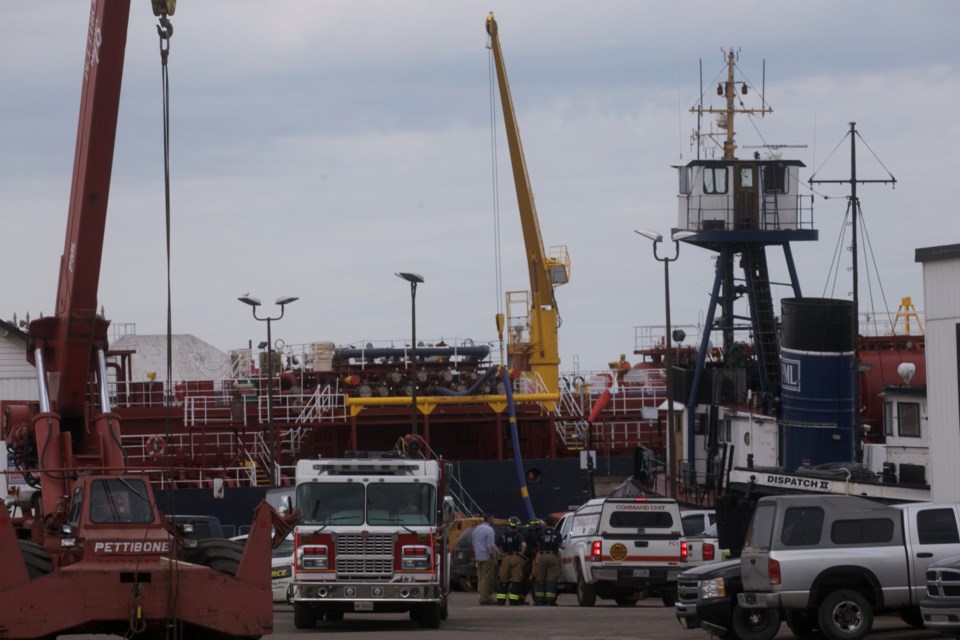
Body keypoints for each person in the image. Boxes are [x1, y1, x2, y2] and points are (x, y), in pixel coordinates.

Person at [496, 516, 527, 605]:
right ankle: (513, 601)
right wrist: (521, 553)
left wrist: (500, 554)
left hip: (505, 557)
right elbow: (524, 545)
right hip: (516, 557)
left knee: (503, 580)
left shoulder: (503, 535)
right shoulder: (519, 534)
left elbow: (494, 545)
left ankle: (501, 601)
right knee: (516, 580)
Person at [472, 513, 499, 605]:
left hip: (478, 557)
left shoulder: (476, 529)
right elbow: (490, 546)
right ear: (490, 519)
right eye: (494, 519)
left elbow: (473, 542)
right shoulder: (490, 530)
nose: (494, 521)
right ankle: (484, 599)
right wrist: (496, 554)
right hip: (487, 557)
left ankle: (481, 596)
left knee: (480, 577)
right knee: (487, 578)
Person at [533, 520, 562, 605]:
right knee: (552, 579)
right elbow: (561, 545)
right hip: (553, 556)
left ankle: (539, 601)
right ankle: (550, 601)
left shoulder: (541, 533)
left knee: (540, 578)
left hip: (542, 556)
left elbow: (536, 541)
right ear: (554, 525)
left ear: (546, 525)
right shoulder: (557, 533)